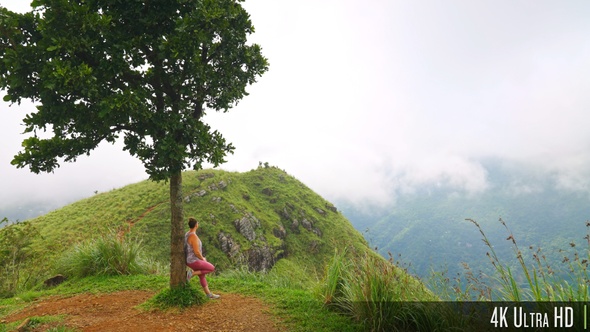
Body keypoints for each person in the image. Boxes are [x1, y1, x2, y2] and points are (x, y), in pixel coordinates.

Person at [185, 217, 220, 299]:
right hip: (193, 260)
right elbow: (196, 252)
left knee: (202, 274)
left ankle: (209, 294)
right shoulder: (193, 237)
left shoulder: (187, 234)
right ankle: (191, 273)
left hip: (188, 260)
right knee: (211, 268)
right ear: (196, 225)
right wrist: (202, 259)